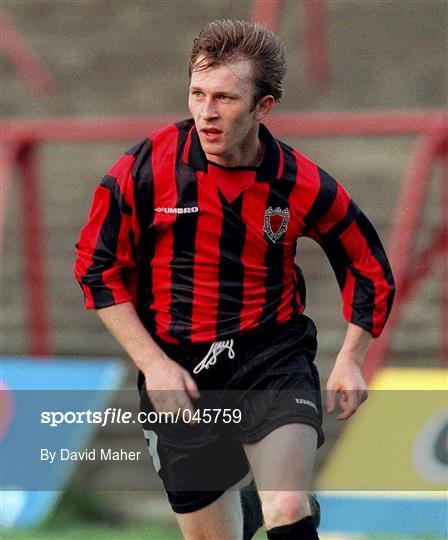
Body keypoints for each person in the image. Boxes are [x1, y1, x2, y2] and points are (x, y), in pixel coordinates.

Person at [74, 19, 395, 540]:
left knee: (288, 511)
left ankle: (278, 503)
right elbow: (95, 266)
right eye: (197, 94)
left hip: (271, 355)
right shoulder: (144, 169)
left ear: (263, 107)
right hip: (178, 367)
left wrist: (352, 357)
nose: (206, 112)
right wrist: (153, 364)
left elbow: (367, 262)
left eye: (224, 97)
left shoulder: (301, 182)